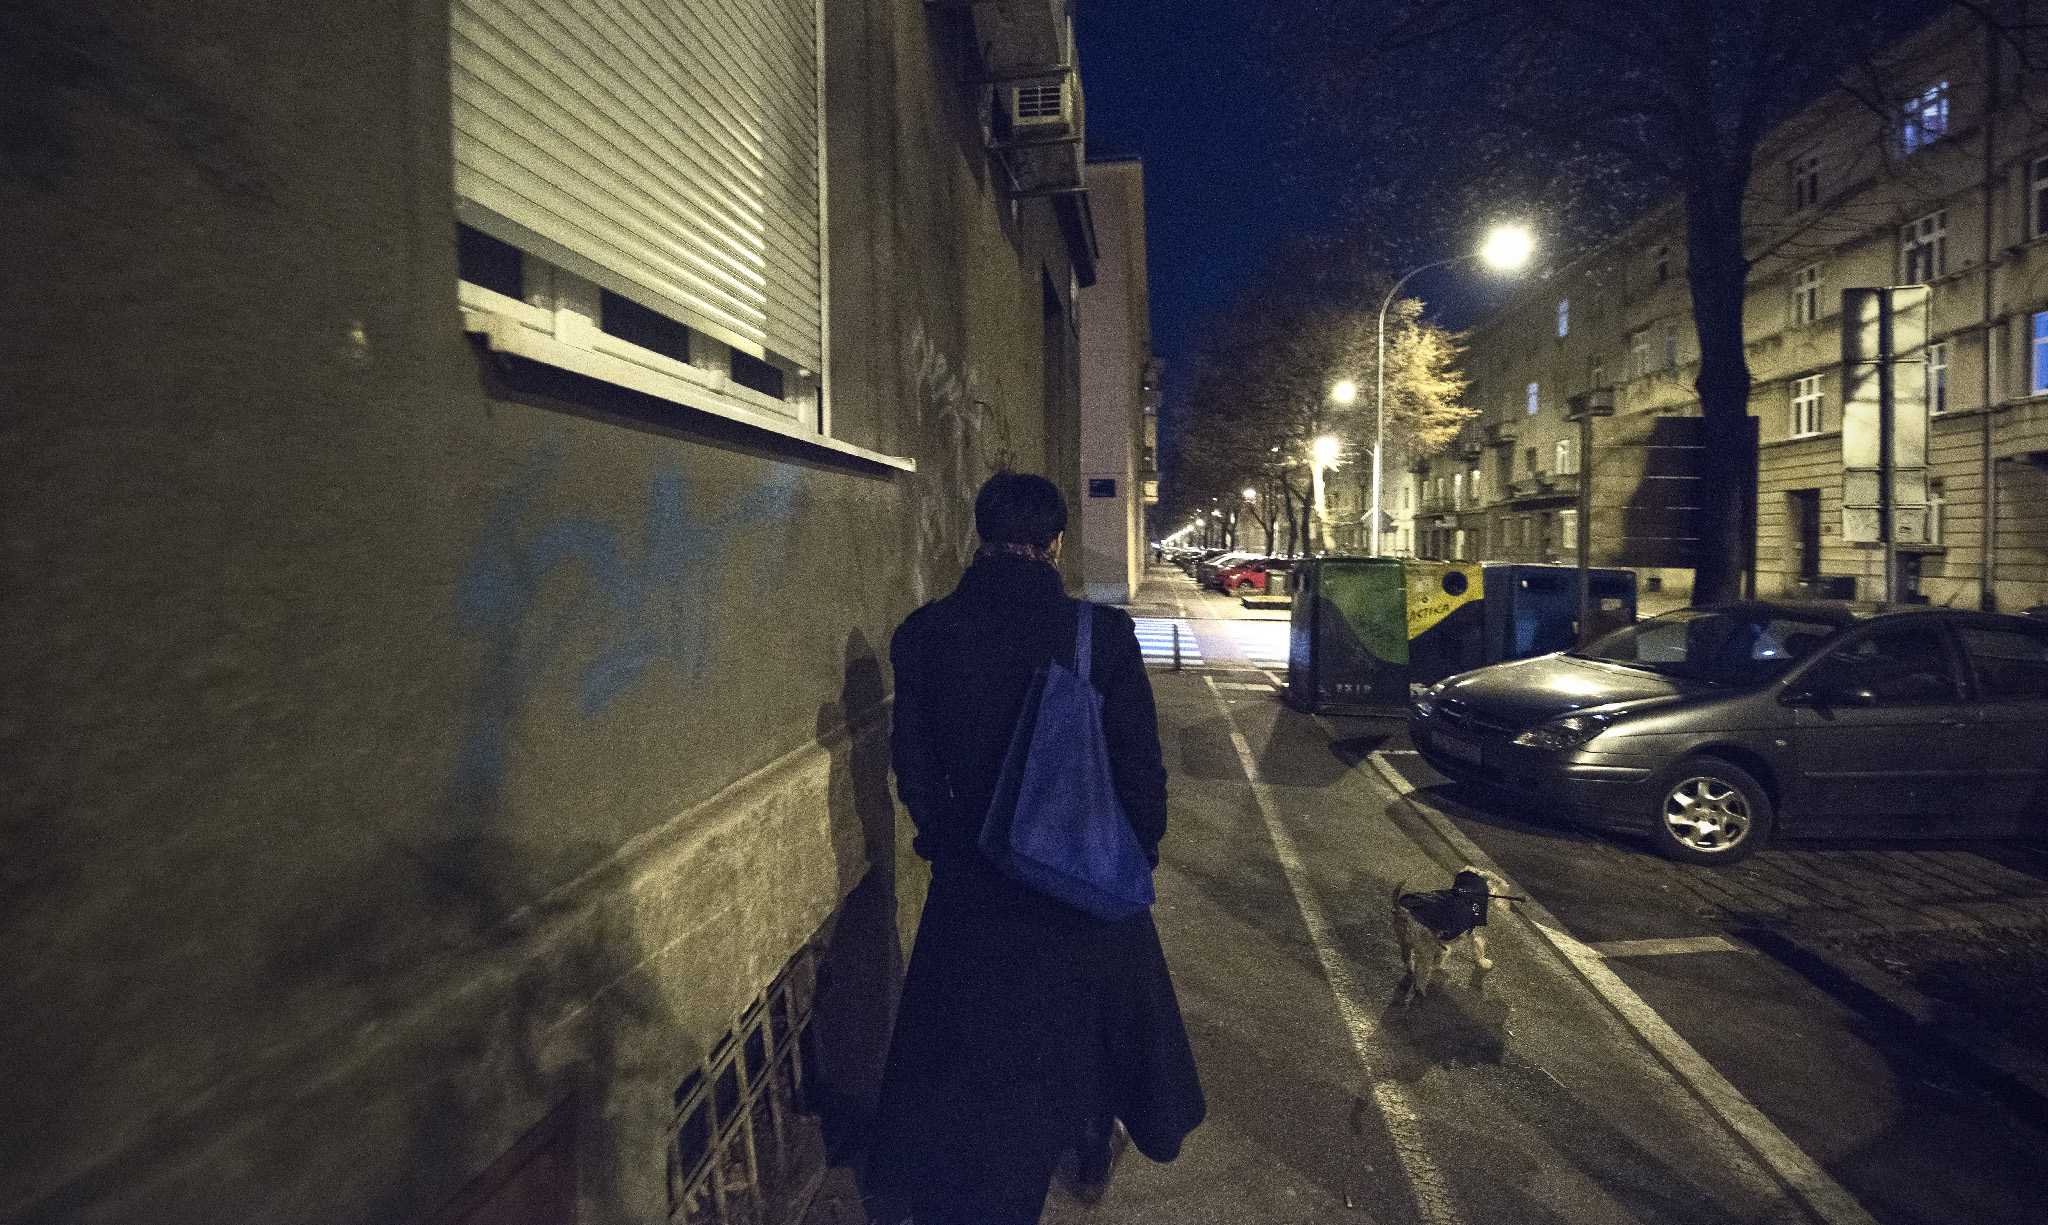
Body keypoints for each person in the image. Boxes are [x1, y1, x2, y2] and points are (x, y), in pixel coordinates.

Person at [865, 472, 1205, 1224]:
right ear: (1055, 542)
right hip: (1079, 883)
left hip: (974, 889)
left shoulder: (924, 634)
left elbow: (913, 766)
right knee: (1089, 1033)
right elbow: (1139, 767)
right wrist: (1133, 855)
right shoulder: (1100, 635)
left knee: (981, 1063)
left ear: (980, 535)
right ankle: (1087, 1132)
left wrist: (949, 848)